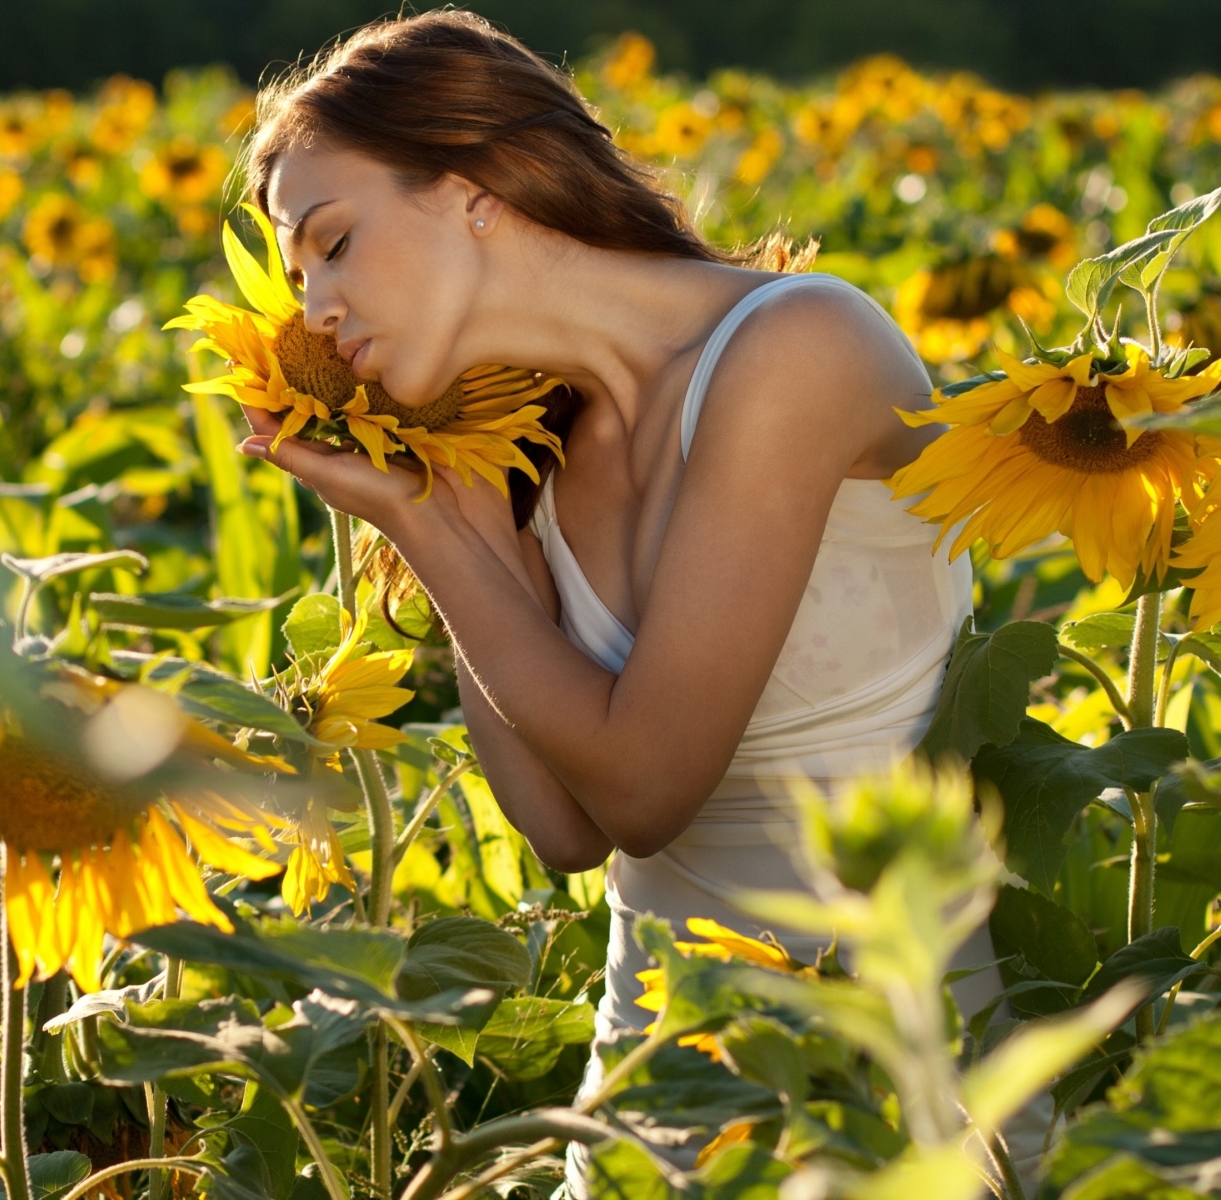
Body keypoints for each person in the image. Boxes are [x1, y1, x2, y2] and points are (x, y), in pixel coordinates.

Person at [227, 9, 1047, 1193]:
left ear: (475, 189)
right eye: (298, 279)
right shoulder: (531, 465)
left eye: (335, 243)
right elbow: (566, 832)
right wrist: (446, 500)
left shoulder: (798, 346)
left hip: (884, 1110)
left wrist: (421, 523)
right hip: (644, 1111)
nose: (312, 312)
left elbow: (648, 787)